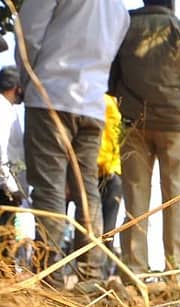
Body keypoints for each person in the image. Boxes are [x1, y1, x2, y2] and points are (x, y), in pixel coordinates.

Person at [17, 0, 129, 290]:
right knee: (87, 190)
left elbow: (27, 35)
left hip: (49, 96)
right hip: (92, 106)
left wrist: (28, 82)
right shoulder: (118, 10)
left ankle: (49, 274)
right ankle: (91, 275)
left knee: (49, 189)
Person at [110, 0, 180, 285]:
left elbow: (109, 78)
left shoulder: (124, 26)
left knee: (135, 200)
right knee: (177, 201)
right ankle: (179, 277)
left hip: (134, 123)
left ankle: (134, 274)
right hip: (176, 127)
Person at [97, 94, 123, 277]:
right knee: (107, 227)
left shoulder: (99, 99)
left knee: (99, 227)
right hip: (106, 171)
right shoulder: (108, 103)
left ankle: (96, 272)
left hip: (103, 171)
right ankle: (100, 273)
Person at [0, 66, 24, 262]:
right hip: (4, 188)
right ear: (17, 87)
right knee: (4, 238)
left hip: (9, 186)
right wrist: (11, 187)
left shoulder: (10, 110)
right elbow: (1, 151)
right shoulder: (2, 109)